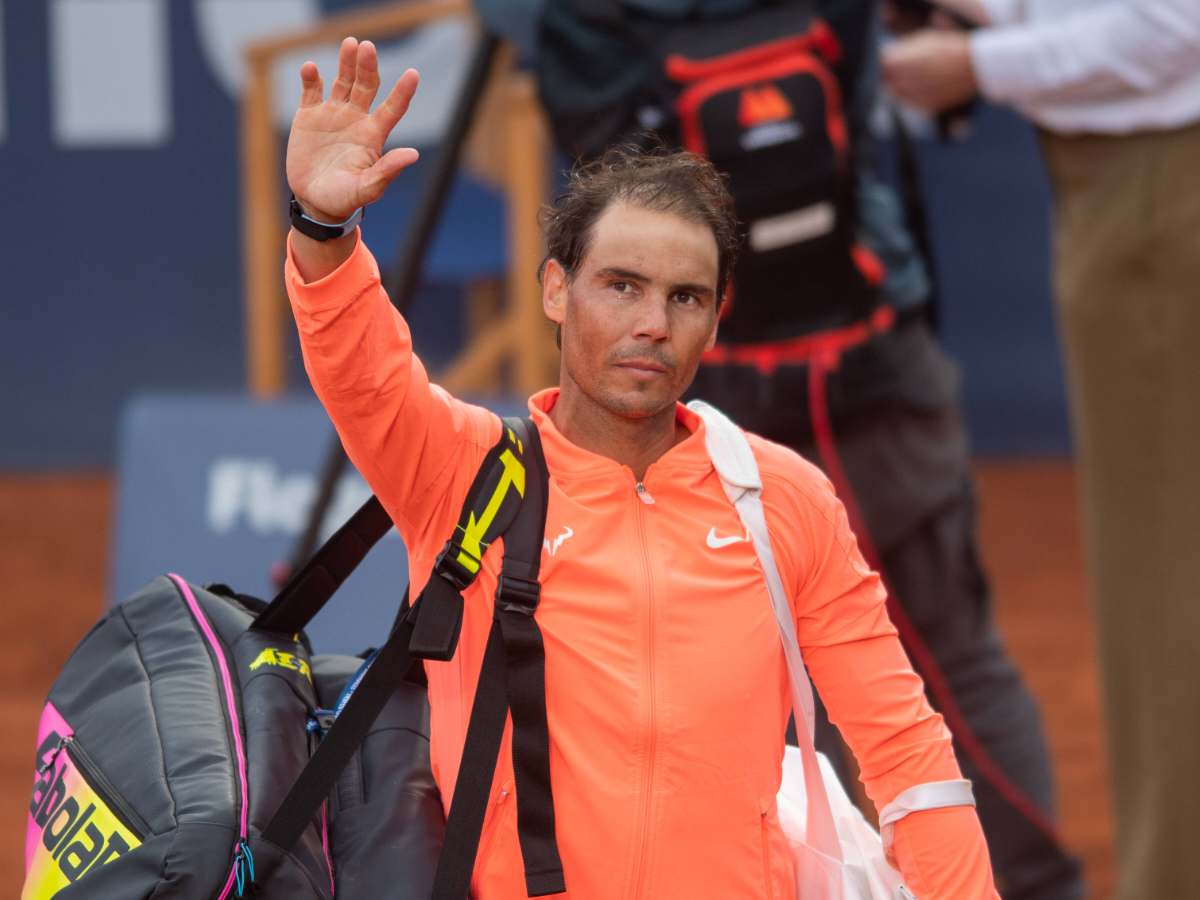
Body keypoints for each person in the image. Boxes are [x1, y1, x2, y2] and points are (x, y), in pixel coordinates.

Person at [284, 36, 997, 899]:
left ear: (715, 317)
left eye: (684, 297)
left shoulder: (785, 499)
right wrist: (324, 231)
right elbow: (360, 365)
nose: (653, 323)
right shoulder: (460, 468)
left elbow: (904, 749)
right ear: (557, 289)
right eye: (621, 285)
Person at [533, 1, 1083, 896]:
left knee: (794, 686)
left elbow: (594, 146)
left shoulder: (582, 20)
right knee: (944, 662)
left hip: (717, 374)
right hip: (842, 347)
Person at [882, 3, 1200, 896]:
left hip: (1156, 179)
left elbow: (1173, 26)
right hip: (1121, 184)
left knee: (1165, 574)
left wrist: (984, 65)